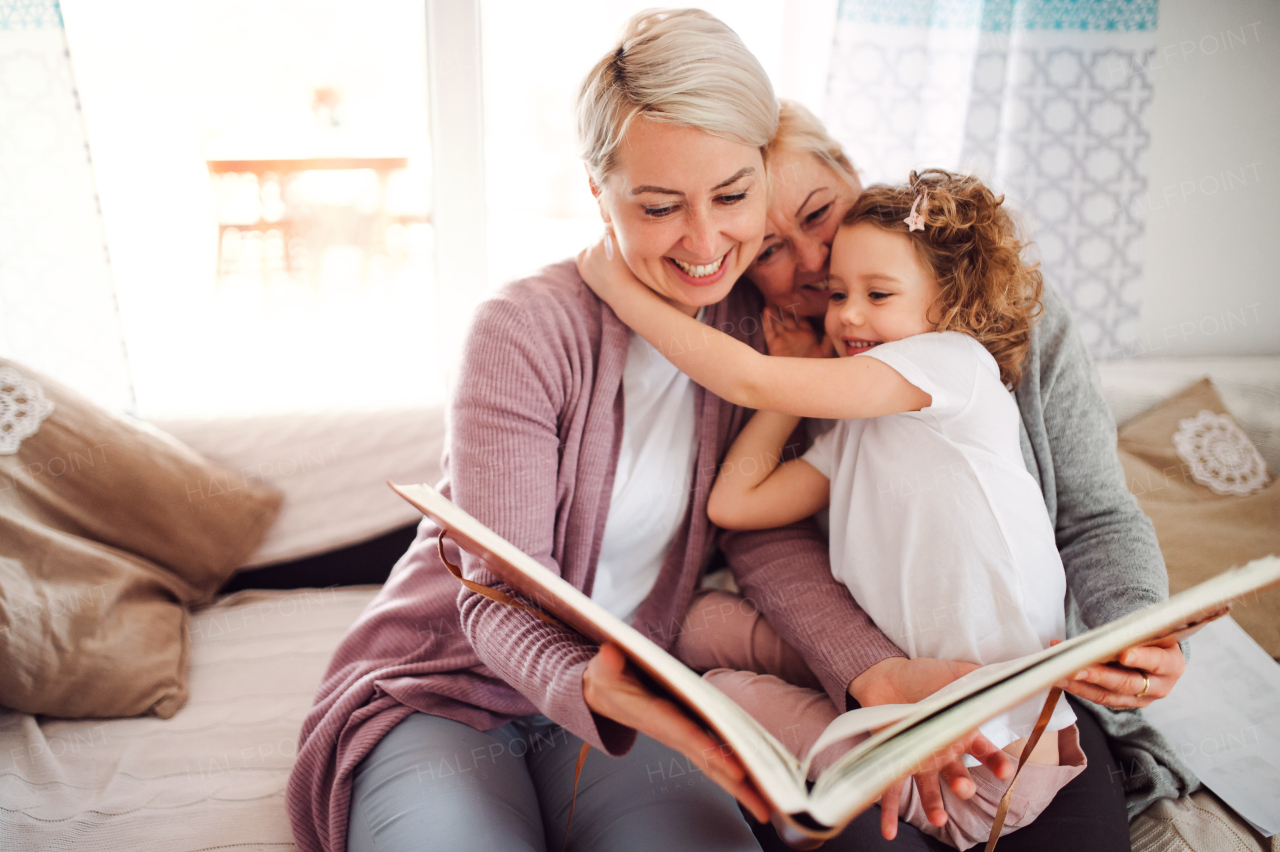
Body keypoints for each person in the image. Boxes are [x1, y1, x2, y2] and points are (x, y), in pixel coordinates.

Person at [285, 11, 1011, 852]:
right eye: (660, 206)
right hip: (449, 689)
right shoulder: (522, 330)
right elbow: (496, 593)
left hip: (625, 710)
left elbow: (762, 540)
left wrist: (869, 669)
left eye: (735, 198)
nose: (705, 243)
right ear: (598, 194)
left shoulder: (758, 331)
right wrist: (598, 684)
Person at [670, 103, 1193, 850]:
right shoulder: (789, 351)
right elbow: (750, 519)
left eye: (820, 212)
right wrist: (873, 672)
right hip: (870, 683)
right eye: (770, 250)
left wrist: (1132, 628)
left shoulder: (977, 338)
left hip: (1021, 704)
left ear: (852, 169)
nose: (817, 267)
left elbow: (1097, 514)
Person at [583, 168, 1100, 849]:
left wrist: (616, 285)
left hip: (990, 762)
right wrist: (793, 385)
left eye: (877, 295)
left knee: (719, 693)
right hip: (912, 677)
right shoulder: (855, 433)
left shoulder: (955, 368)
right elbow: (735, 501)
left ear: (946, 308)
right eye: (837, 295)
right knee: (697, 621)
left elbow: (746, 374)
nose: (847, 315)